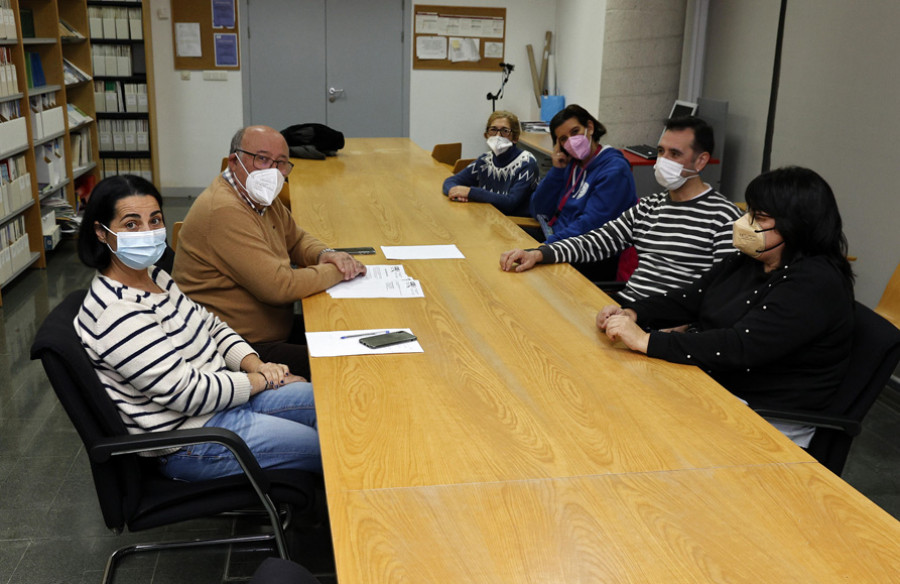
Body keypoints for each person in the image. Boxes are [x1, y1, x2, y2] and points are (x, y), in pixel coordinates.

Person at [74, 175, 321, 481]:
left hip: (227, 400)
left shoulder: (153, 276)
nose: (148, 232)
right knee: (327, 446)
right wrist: (261, 381)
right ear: (100, 231)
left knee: (328, 405)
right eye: (131, 224)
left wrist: (258, 364)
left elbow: (211, 326)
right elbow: (188, 393)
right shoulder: (115, 314)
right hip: (194, 439)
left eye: (155, 220)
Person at [598, 166, 855, 447]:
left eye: (759, 217)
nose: (746, 222)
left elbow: (739, 346)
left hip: (765, 419)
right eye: (750, 212)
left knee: (634, 434)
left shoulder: (815, 283)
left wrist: (647, 341)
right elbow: (694, 297)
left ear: (796, 226)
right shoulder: (754, 259)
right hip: (718, 386)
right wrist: (634, 312)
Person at [172, 125, 366, 379]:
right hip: (239, 349)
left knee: (356, 334)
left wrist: (325, 254)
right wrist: (338, 271)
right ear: (234, 161)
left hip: (271, 330)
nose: (272, 171)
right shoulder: (224, 210)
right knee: (350, 363)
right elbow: (279, 287)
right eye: (262, 159)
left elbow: (295, 240)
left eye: (281, 163)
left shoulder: (258, 196)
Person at [501, 117, 742, 302]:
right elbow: (596, 241)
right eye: (660, 151)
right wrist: (539, 253)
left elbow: (724, 295)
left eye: (675, 154)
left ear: (700, 161)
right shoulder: (649, 207)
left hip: (668, 327)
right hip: (627, 311)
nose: (663, 160)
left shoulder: (724, 218)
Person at [442, 110, 539, 216]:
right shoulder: (485, 160)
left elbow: (510, 203)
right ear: (486, 135)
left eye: (505, 131)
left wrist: (470, 192)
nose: (498, 136)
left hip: (516, 224)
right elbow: (451, 181)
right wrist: (455, 192)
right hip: (489, 218)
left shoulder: (527, 163)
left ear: (515, 138)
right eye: (493, 130)